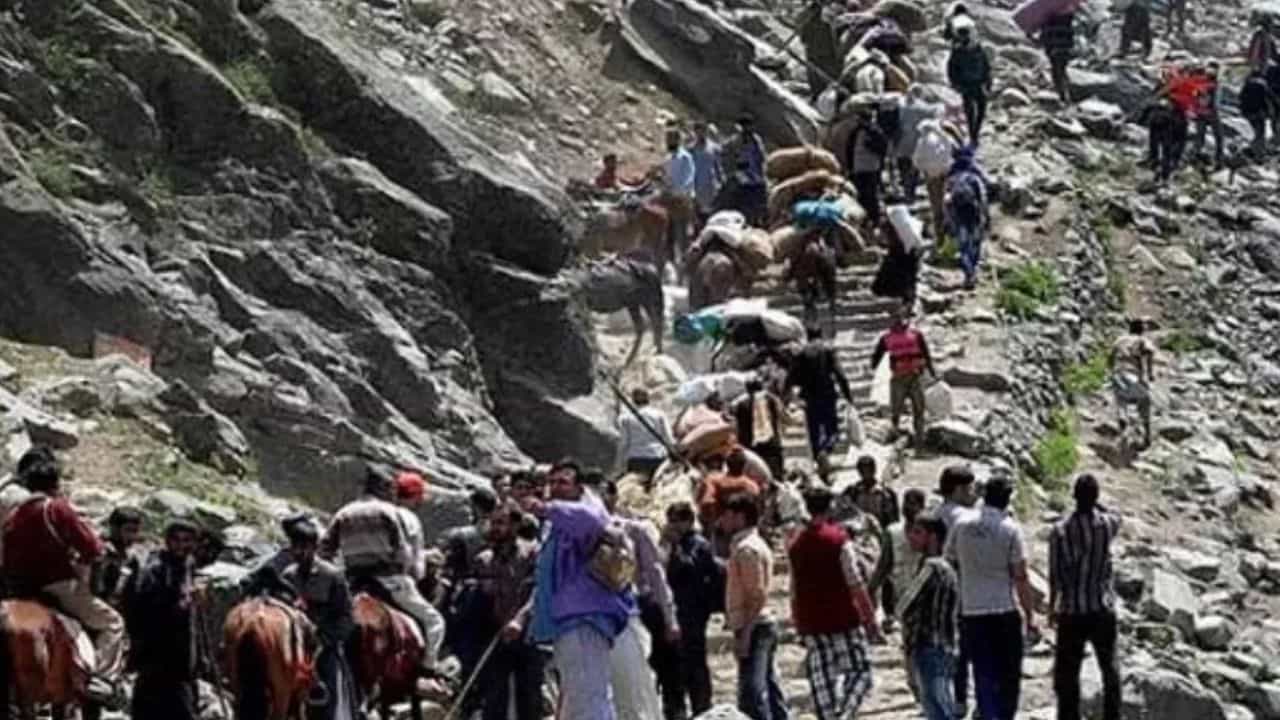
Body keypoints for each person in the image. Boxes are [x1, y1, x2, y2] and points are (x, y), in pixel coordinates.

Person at [1, 447, 125, 702]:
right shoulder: (56, 508)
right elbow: (92, 548)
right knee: (112, 623)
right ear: (55, 483)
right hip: (58, 585)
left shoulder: (14, 514)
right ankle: (101, 680)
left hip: (18, 588)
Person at [526, 461, 636, 720]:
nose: (555, 488)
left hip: (583, 616)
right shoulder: (558, 525)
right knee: (579, 696)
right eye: (551, 483)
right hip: (569, 620)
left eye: (563, 482)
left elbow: (592, 521)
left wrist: (545, 507)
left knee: (588, 696)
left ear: (579, 487)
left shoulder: (585, 512)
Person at [320, 469, 446, 678]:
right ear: (384, 488)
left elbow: (325, 551)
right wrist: (413, 576)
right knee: (434, 621)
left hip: (352, 581)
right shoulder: (390, 513)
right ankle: (429, 668)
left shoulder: (343, 513)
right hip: (390, 580)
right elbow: (403, 552)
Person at [945, 476, 1038, 720]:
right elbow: (1020, 575)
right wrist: (1030, 615)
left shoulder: (962, 524)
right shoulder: (1009, 529)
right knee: (1008, 673)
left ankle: (988, 714)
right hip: (1003, 609)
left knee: (982, 671)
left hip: (971, 610)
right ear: (1007, 500)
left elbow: (949, 561)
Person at [789, 486, 882, 720]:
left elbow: (793, 589)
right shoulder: (839, 540)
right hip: (843, 618)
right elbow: (855, 583)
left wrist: (798, 621)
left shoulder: (797, 544)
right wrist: (870, 618)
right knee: (861, 671)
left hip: (811, 621)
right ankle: (845, 714)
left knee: (823, 680)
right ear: (830, 507)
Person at [1050, 475, 1123, 720]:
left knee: (1067, 673)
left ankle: (1068, 716)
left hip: (1072, 610)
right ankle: (1112, 714)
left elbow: (1055, 574)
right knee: (1109, 667)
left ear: (1074, 497)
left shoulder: (1060, 530)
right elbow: (1117, 514)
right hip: (1101, 606)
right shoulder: (1106, 525)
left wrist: (1052, 606)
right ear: (1096, 498)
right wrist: (1097, 504)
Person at [281, 517, 357, 720]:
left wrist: (324, 640)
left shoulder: (332, 576)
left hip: (323, 649)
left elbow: (347, 618)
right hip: (293, 647)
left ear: (314, 547)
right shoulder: (287, 576)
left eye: (304, 547)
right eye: (296, 547)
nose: (300, 553)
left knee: (328, 696)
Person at [473, 504, 544, 720]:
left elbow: (539, 592)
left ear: (515, 526)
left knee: (529, 699)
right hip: (494, 637)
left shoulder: (533, 553)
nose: (494, 528)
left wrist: (520, 620)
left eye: (500, 523)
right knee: (494, 700)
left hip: (529, 635)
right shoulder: (483, 560)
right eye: (492, 523)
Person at [124, 520, 201, 720]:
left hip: (181, 653)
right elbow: (146, 607)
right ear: (167, 541)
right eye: (176, 540)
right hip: (158, 651)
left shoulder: (188, 565)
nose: (181, 545)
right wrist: (183, 604)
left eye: (187, 541)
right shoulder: (156, 569)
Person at [721, 493, 787, 720]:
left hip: (755, 626)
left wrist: (746, 634)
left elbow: (756, 595)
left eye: (728, 515)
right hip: (760, 624)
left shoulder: (746, 550)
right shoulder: (749, 545)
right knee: (769, 687)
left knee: (751, 694)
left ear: (739, 517)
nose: (723, 521)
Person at [897, 514, 960, 720]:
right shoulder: (947, 568)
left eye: (918, 532)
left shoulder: (931, 567)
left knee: (936, 705)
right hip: (944, 644)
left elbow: (904, 605)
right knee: (940, 701)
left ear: (932, 537)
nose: (911, 537)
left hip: (929, 645)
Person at [662, 502, 722, 718]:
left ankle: (701, 710)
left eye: (677, 521)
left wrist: (676, 545)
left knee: (695, 667)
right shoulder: (668, 544)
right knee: (671, 670)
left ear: (688, 522)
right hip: (672, 613)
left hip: (692, 615)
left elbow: (688, 568)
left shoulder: (699, 545)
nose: (672, 526)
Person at [871, 489, 927, 682]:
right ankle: (916, 683)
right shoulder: (893, 532)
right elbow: (884, 564)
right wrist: (871, 589)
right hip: (903, 598)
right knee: (910, 641)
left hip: (928, 595)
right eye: (906, 504)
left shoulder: (931, 530)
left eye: (913, 503)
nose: (908, 508)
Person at [785, 324, 853, 476]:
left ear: (807, 336)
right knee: (832, 429)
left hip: (809, 397)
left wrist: (786, 397)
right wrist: (848, 396)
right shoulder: (828, 350)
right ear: (820, 334)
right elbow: (839, 374)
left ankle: (820, 456)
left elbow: (791, 377)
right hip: (827, 395)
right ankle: (825, 451)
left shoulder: (801, 353)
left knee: (813, 431)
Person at [870, 304, 938, 447]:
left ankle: (920, 441)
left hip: (915, 377)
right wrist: (875, 370)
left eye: (901, 318)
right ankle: (896, 439)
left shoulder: (916, 335)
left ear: (906, 318)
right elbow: (876, 358)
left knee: (919, 410)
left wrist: (932, 372)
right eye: (896, 318)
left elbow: (926, 354)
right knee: (896, 412)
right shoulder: (886, 338)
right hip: (898, 378)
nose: (899, 321)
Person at [946, 144, 990, 288]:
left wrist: (948, 219)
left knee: (963, 245)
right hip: (974, 212)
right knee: (976, 241)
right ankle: (973, 269)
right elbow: (983, 197)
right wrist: (986, 215)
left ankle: (968, 274)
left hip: (958, 213)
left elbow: (946, 200)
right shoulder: (974, 177)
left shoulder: (952, 177)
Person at [1109, 318, 1156, 447]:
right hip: (1132, 374)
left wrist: (1111, 371)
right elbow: (1150, 352)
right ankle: (1147, 436)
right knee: (1145, 399)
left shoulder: (1119, 340)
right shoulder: (1141, 340)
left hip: (1117, 373)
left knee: (1121, 398)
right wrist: (1150, 373)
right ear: (1142, 330)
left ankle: (1122, 416)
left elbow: (1110, 358)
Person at [698, 448, 762, 541]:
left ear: (726, 463)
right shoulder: (752, 485)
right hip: (746, 532)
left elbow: (707, 502)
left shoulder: (714, 480)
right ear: (744, 465)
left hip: (720, 532)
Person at [946, 16, 992, 146]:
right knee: (970, 111)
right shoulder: (957, 51)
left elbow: (986, 66)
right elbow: (951, 69)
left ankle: (975, 133)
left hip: (978, 83)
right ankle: (973, 135)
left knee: (981, 109)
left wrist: (988, 82)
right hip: (966, 85)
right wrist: (955, 84)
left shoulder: (977, 48)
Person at [731, 377, 786, 480]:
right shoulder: (771, 399)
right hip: (771, 443)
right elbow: (780, 417)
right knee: (776, 475)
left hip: (751, 446)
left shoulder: (741, 404)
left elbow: (739, 427)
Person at [91, 506, 145, 610]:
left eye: (136, 531)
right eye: (128, 530)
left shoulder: (131, 557)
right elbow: (96, 588)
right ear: (114, 528)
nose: (132, 535)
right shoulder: (102, 551)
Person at [894, 86, 942, 202]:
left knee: (903, 169)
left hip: (900, 144)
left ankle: (907, 193)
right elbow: (936, 112)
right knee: (913, 170)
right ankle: (911, 193)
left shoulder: (899, 106)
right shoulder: (922, 107)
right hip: (915, 145)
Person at [617, 387, 676, 480]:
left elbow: (624, 443)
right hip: (657, 456)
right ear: (648, 398)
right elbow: (669, 438)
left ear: (633, 399)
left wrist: (619, 464)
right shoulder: (659, 414)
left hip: (636, 458)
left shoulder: (626, 418)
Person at [913, 119, 957, 242]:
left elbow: (917, 160)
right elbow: (949, 154)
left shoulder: (922, 142)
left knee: (935, 204)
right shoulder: (943, 139)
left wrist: (924, 170)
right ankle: (948, 230)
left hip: (931, 176)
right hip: (944, 174)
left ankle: (939, 234)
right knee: (944, 200)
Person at [847, 104, 889, 227]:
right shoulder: (855, 132)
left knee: (871, 195)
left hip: (871, 168)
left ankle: (874, 219)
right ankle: (864, 220)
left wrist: (869, 144)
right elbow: (849, 150)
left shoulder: (875, 132)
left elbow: (883, 149)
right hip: (859, 169)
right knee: (861, 195)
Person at [722, 116, 769, 226]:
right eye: (746, 126)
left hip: (757, 178)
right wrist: (735, 165)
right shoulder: (735, 141)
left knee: (760, 205)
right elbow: (725, 155)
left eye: (750, 126)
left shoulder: (756, 140)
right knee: (743, 206)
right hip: (742, 179)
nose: (748, 128)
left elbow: (762, 156)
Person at [665, 127, 698, 263]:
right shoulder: (668, 158)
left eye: (672, 139)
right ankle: (670, 265)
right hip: (669, 201)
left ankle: (686, 266)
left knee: (682, 236)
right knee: (668, 235)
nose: (668, 141)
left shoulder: (685, 157)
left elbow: (689, 179)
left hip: (681, 201)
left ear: (678, 140)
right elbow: (668, 177)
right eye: (667, 139)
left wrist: (677, 192)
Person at [1140, 93, 1188, 184]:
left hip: (1170, 125)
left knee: (1166, 150)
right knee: (1162, 149)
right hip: (1165, 124)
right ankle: (1161, 171)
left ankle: (1163, 173)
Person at [689, 121, 725, 231]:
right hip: (697, 185)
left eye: (702, 131)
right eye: (697, 132)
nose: (700, 134)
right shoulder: (691, 149)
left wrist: (722, 181)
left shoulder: (714, 148)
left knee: (710, 214)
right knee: (696, 215)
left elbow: (718, 166)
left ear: (706, 132)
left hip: (711, 185)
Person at [1190, 62, 1225, 169]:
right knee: (1219, 137)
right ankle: (1218, 160)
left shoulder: (1202, 81)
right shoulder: (1212, 83)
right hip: (1210, 113)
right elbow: (1212, 100)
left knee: (1200, 137)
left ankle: (1195, 156)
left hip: (1201, 112)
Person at [1037, 10, 1076, 103]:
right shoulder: (1067, 18)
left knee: (1057, 72)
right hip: (1064, 50)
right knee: (1062, 70)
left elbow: (1044, 37)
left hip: (1054, 51)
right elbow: (1071, 36)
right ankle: (1067, 94)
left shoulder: (1047, 20)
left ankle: (1062, 94)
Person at [1239, 67, 1274, 157]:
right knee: (1260, 132)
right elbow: (1267, 99)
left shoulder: (1246, 85)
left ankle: (1256, 150)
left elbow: (1240, 98)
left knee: (1256, 132)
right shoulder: (1263, 85)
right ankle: (1258, 152)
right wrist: (1269, 112)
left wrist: (1243, 110)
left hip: (1248, 113)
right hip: (1259, 113)